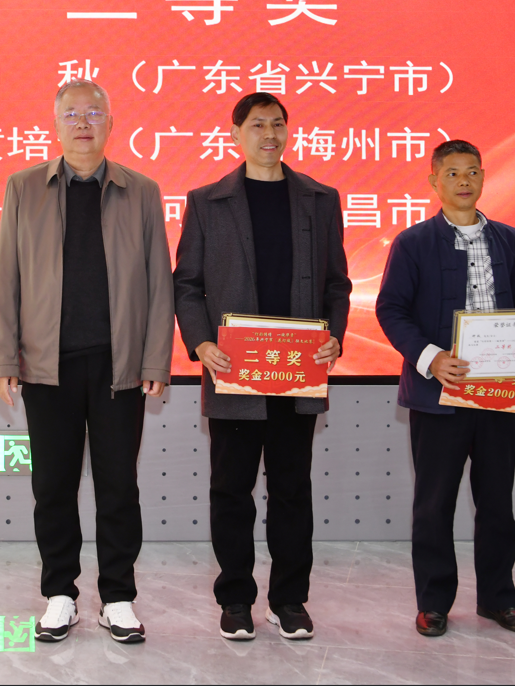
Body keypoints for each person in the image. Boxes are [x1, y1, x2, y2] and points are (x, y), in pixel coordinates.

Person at [0, 79, 174, 644]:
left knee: (119, 486)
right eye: (72, 114)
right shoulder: (24, 187)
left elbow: (159, 282)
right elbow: (6, 277)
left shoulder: (141, 191)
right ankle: (60, 595)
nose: (84, 122)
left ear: (111, 123)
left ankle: (117, 597)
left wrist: (156, 360)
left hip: (120, 367)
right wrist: (4, 357)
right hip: (48, 366)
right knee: (53, 486)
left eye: (95, 113)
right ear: (56, 124)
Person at [172, 92, 352, 641]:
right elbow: (187, 285)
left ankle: (289, 600)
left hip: (297, 373)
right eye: (257, 125)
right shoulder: (208, 201)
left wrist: (334, 337)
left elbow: (337, 285)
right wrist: (202, 344)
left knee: (292, 491)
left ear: (288, 131)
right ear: (236, 135)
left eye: (277, 124)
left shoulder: (321, 199)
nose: (269, 134)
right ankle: (235, 599)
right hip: (234, 371)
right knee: (231, 491)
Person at [375, 139, 515, 638]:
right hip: (439, 395)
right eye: (453, 173)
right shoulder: (413, 243)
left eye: (473, 172)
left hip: (501, 395)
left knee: (497, 503)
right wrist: (431, 359)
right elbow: (391, 309)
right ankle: (434, 603)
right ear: (434, 182)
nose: (464, 181)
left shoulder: (509, 240)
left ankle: (499, 600)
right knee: (433, 505)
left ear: (483, 178)